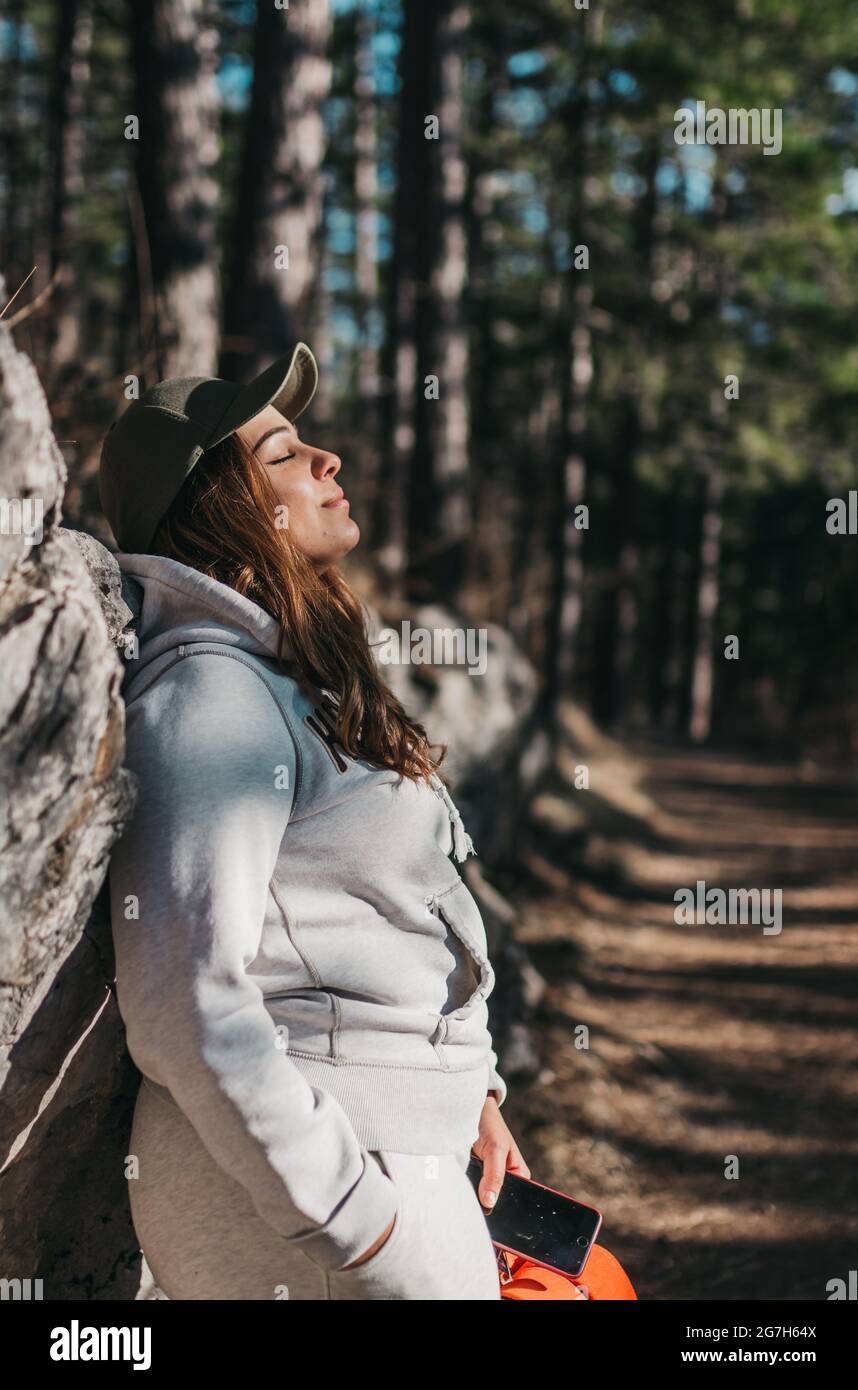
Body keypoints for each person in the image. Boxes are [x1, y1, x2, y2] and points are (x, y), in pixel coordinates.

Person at [98, 341, 530, 1300]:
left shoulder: (293, 683)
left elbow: (391, 916)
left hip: (385, 1154)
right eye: (284, 454)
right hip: (321, 1189)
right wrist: (351, 1219)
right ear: (216, 507)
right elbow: (182, 997)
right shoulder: (213, 697)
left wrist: (472, 1093)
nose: (328, 460)